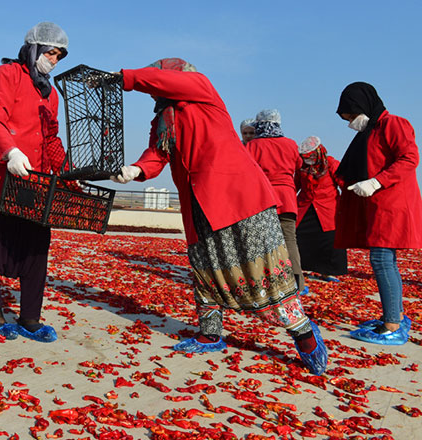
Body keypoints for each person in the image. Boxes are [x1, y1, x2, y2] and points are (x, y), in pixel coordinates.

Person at [110, 58, 327, 375]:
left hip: (240, 199)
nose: (157, 90)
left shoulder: (201, 90)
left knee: (267, 270)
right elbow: (157, 155)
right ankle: (210, 334)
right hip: (199, 203)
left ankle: (304, 336)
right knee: (206, 269)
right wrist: (136, 170)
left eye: (161, 78)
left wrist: (125, 78)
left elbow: (162, 81)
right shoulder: (163, 121)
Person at [0, 22, 70, 343]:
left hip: (32, 185)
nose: (53, 60)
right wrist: (9, 151)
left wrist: (67, 171)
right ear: (34, 48)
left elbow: (51, 137)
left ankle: (29, 317)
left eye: (59, 56)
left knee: (36, 249)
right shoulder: (5, 76)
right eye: (50, 52)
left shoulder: (49, 93)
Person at [334, 82, 421, 345]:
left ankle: (392, 323)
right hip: (378, 205)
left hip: (391, 203)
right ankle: (395, 316)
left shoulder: (393, 124)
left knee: (382, 260)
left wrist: (377, 181)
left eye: (350, 116)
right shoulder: (370, 131)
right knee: (385, 261)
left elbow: (409, 158)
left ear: (361, 106)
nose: (350, 122)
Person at [246, 109, 307, 295]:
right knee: (289, 240)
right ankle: (297, 281)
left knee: (260, 241)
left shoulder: (253, 145)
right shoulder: (290, 144)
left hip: (263, 198)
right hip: (287, 198)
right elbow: (299, 165)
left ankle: (263, 280)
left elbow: (246, 170)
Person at [295, 136, 347, 282]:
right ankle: (302, 267)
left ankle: (328, 272)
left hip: (327, 207)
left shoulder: (330, 163)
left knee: (329, 239)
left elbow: (343, 182)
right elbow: (295, 185)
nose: (308, 160)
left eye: (310, 156)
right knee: (300, 236)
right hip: (305, 206)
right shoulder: (302, 166)